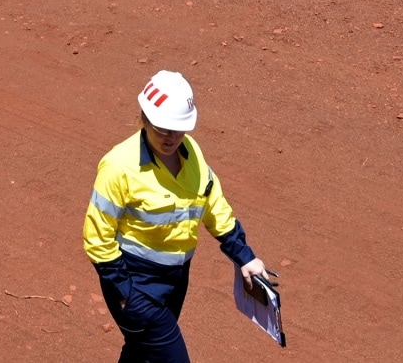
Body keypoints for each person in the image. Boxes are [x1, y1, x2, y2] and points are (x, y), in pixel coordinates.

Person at [83, 70, 272, 362]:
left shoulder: (191, 152)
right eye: (162, 128)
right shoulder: (119, 166)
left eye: (178, 129)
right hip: (136, 282)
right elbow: (97, 237)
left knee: (140, 353)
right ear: (144, 119)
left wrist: (244, 256)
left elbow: (213, 204)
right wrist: (125, 291)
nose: (171, 137)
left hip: (176, 278)